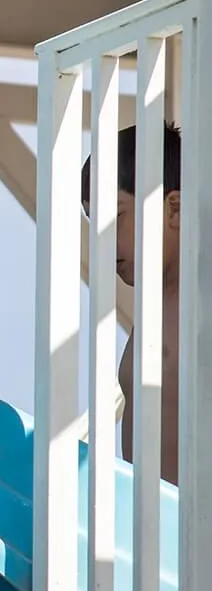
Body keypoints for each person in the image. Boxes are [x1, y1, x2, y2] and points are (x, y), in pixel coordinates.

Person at [81, 122, 181, 484]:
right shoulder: (152, 310)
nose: (103, 243)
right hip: (147, 519)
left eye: (115, 218)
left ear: (174, 209)